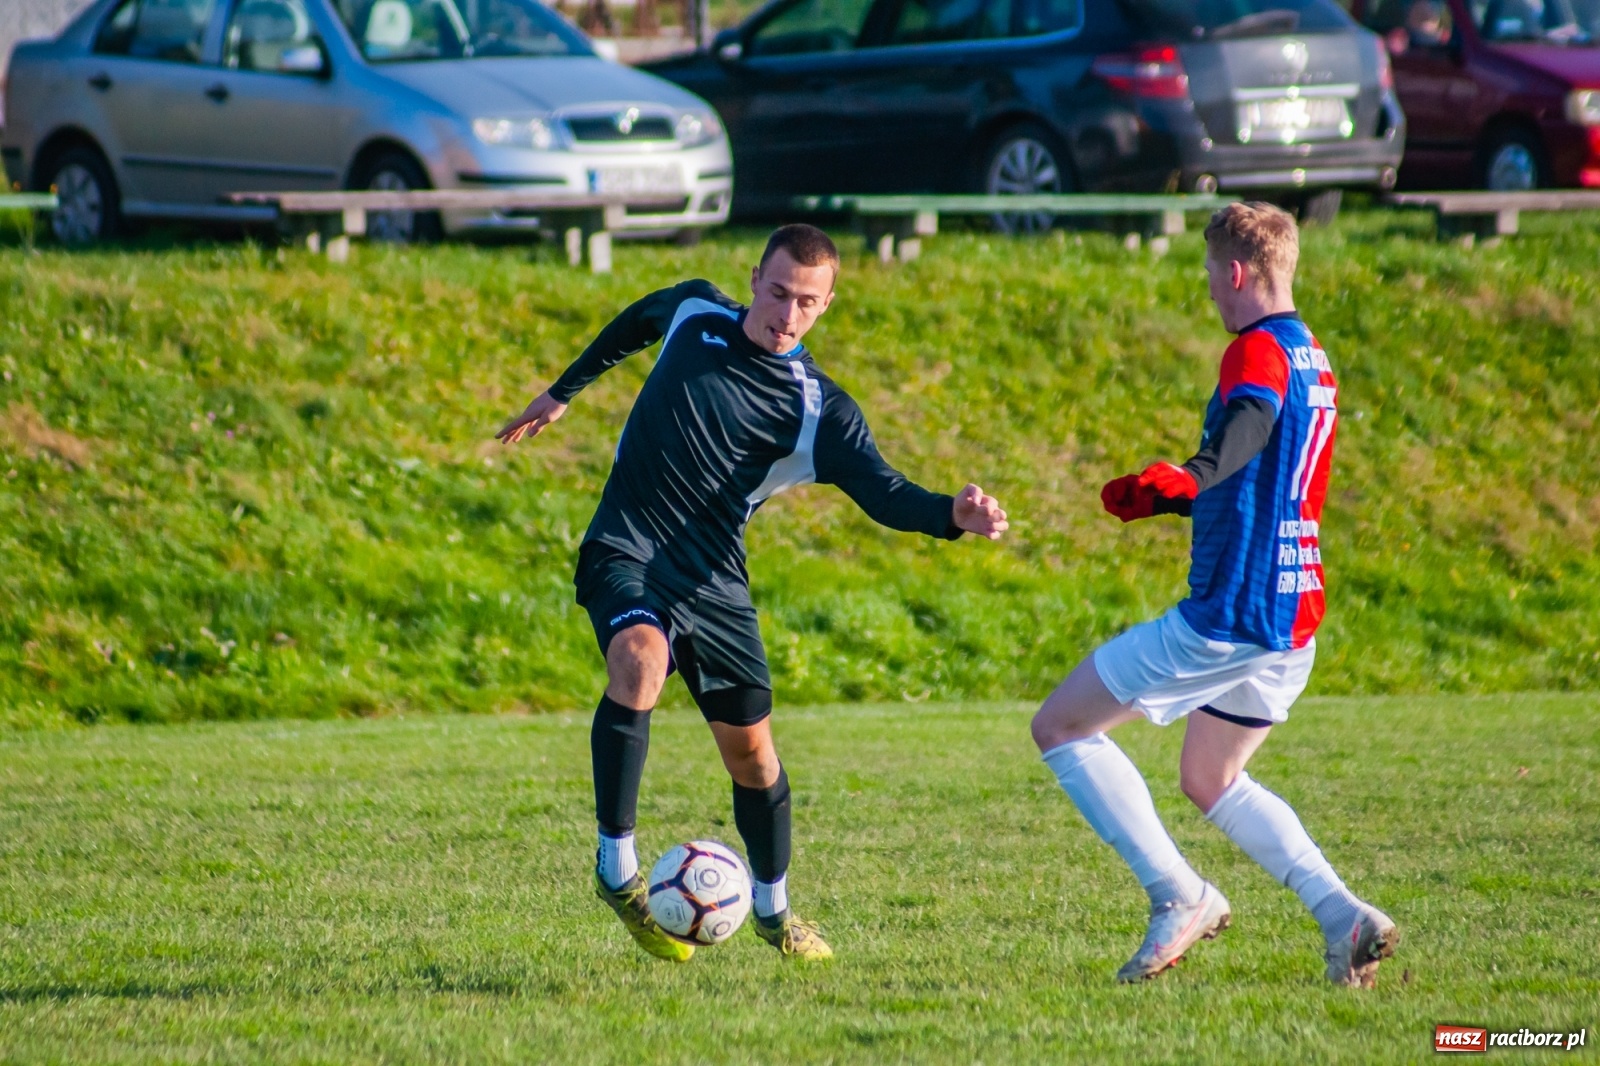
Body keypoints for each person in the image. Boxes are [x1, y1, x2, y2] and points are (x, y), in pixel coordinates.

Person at [497, 224, 1008, 963]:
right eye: (777, 294)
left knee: (754, 760)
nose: (787, 314)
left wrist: (949, 517)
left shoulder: (819, 410)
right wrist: (562, 392)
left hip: (714, 584)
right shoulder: (695, 314)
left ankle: (774, 913)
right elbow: (636, 320)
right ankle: (618, 871)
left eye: (807, 302)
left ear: (826, 305)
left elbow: (883, 491)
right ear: (753, 280)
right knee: (640, 659)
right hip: (627, 548)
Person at [1029, 202, 1399, 987]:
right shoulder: (1313, 355)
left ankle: (1178, 895)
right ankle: (1343, 916)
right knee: (1210, 779)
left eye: (1209, 274)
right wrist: (1172, 499)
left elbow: (1253, 424)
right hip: (1294, 609)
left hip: (1231, 610)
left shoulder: (1255, 350)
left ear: (1235, 272)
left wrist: (1193, 472)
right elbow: (1266, 475)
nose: (1207, 290)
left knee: (1061, 727)